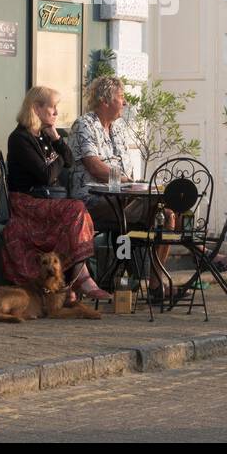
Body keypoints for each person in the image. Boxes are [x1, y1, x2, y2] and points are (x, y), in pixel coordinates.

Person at [71, 74, 176, 301]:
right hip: (93, 202)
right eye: (121, 97)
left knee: (167, 215)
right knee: (146, 209)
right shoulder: (84, 125)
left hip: (123, 200)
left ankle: (156, 284)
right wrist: (128, 182)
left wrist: (133, 184)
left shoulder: (118, 128)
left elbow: (125, 169)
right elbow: (95, 166)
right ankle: (121, 279)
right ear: (105, 100)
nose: (125, 102)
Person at [3, 86, 110, 301]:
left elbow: (69, 161)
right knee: (77, 208)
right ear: (36, 108)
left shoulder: (45, 135)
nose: (56, 112)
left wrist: (57, 140)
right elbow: (47, 175)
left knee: (77, 212)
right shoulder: (20, 138)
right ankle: (82, 279)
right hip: (27, 203)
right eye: (52, 107)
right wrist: (58, 155)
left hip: (48, 200)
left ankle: (73, 280)